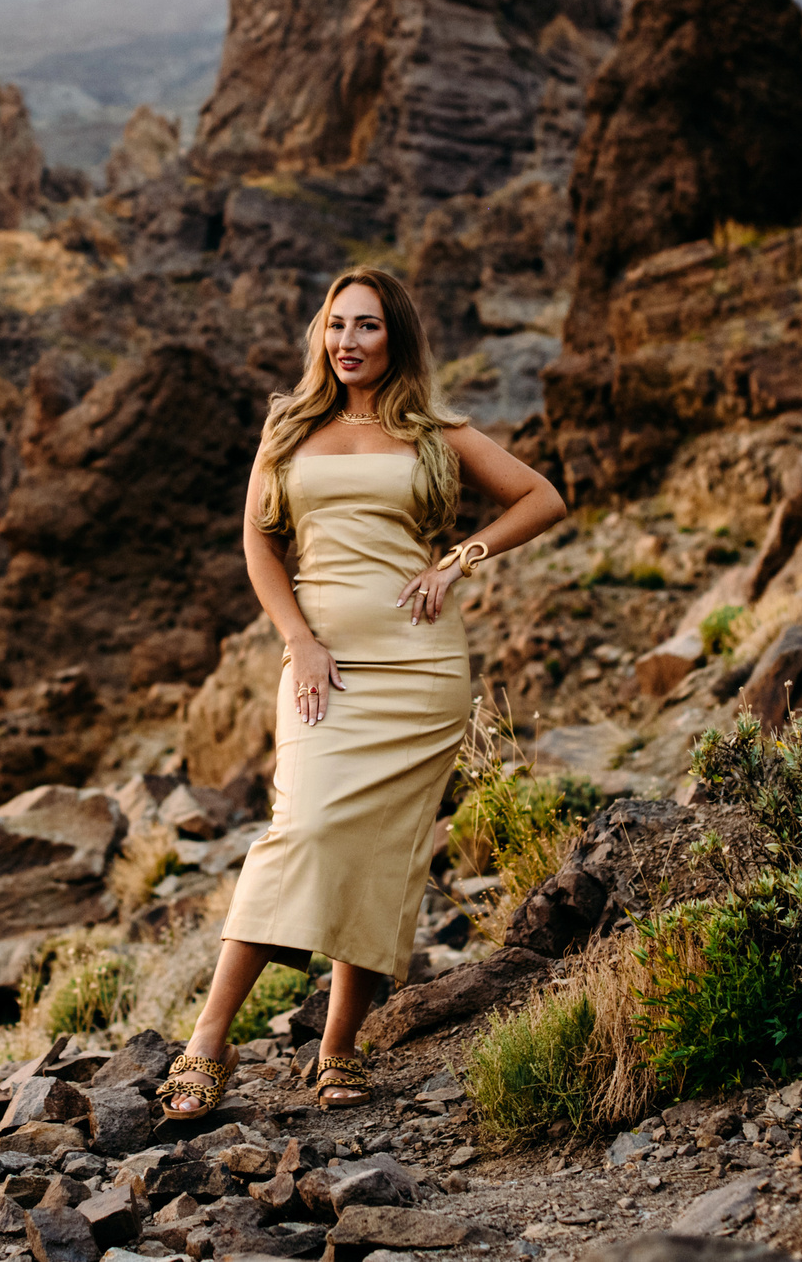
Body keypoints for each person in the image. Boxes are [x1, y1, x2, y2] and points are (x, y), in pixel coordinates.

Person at [157, 266, 566, 1115]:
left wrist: (459, 559)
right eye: (337, 325)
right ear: (321, 334)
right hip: (324, 663)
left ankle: (339, 1048)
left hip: (420, 669)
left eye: (368, 326)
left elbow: (542, 497)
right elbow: (261, 548)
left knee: (381, 848)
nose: (349, 341)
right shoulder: (289, 426)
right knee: (302, 828)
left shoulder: (435, 431)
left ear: (396, 338)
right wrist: (298, 641)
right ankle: (207, 1040)